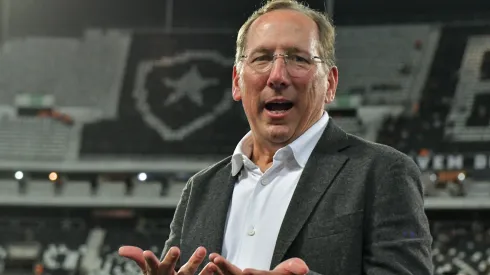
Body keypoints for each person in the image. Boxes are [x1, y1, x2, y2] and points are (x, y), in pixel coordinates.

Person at [119, 0, 434, 274]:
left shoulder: (382, 172)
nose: (278, 76)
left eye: (299, 58)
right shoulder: (200, 190)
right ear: (237, 83)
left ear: (331, 84)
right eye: (262, 58)